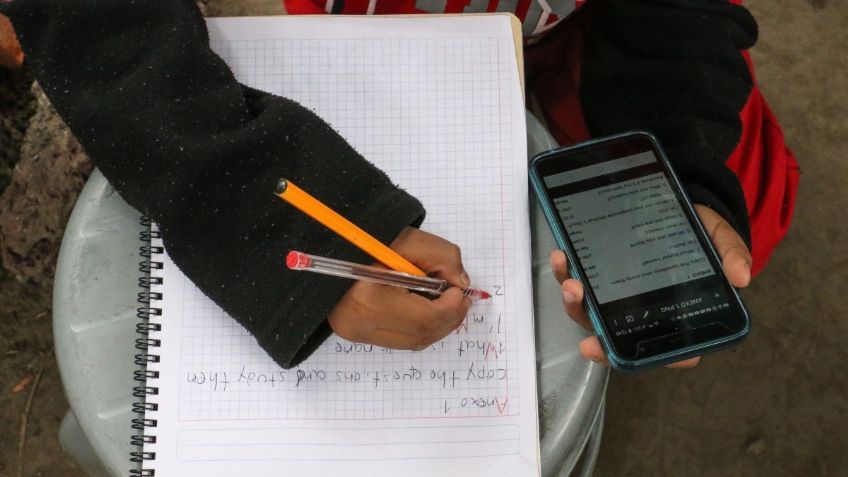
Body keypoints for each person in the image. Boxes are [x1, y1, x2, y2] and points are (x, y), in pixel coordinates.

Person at [0, 0, 798, 369]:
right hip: (277, 48)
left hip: (569, 41)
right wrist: (270, 220)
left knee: (735, 203)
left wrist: (682, 160)